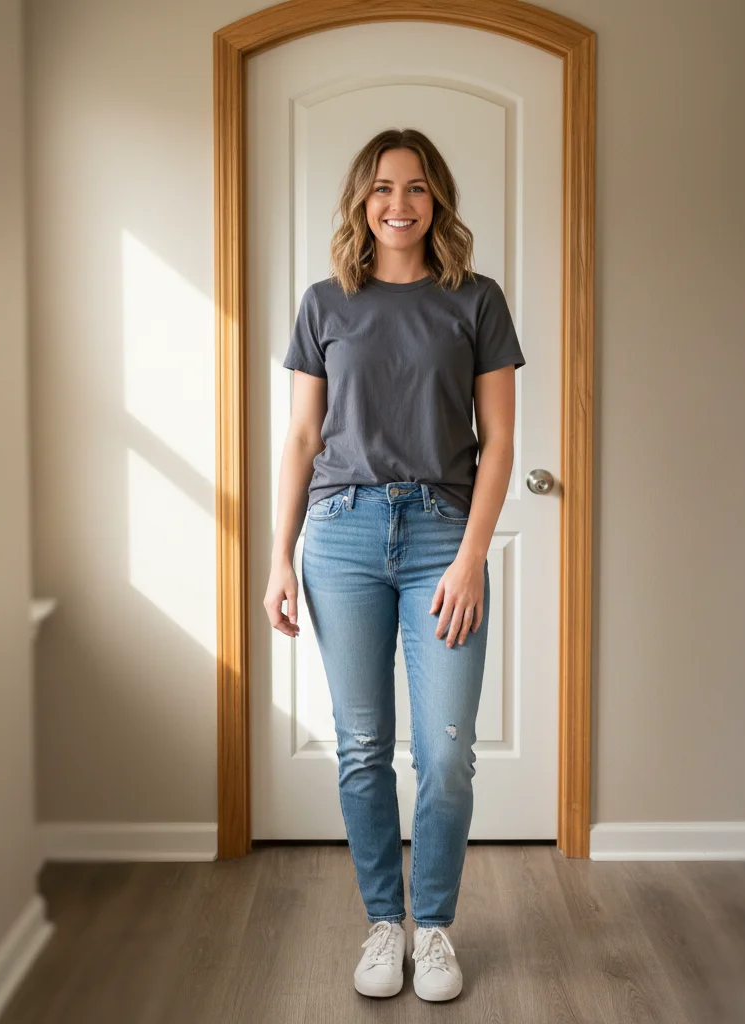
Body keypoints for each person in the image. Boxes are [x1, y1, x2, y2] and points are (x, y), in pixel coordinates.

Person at [263, 127, 525, 1002]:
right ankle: (385, 922)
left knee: (447, 751)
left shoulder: (476, 301)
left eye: (416, 187)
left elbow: (498, 444)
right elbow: (303, 437)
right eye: (382, 187)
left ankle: (434, 927)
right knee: (363, 745)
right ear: (361, 201)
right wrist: (279, 558)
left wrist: (472, 556)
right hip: (340, 536)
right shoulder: (324, 304)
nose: (399, 203)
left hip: (442, 536)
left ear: (437, 199)